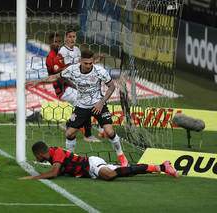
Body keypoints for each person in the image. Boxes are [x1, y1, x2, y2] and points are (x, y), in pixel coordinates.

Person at [27, 49, 128, 166]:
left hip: (98, 105)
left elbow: (111, 86)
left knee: (109, 132)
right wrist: (38, 81)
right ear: (80, 61)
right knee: (69, 133)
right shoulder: (72, 70)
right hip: (82, 106)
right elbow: (55, 76)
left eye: (91, 63)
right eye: (86, 63)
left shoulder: (100, 71)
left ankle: (122, 157)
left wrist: (101, 102)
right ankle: (69, 159)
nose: (89, 66)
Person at [20, 141, 178, 180]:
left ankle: (162, 167)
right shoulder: (52, 156)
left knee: (110, 175)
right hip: (90, 171)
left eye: (35, 155)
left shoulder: (57, 153)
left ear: (39, 154)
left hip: (91, 164)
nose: (36, 158)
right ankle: (161, 167)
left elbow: (54, 173)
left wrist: (34, 177)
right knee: (115, 172)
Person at [45, 32, 99, 143]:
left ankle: (68, 124)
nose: (57, 44)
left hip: (70, 86)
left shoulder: (60, 54)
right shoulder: (51, 57)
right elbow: (58, 75)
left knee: (84, 105)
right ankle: (87, 135)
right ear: (50, 43)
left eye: (59, 42)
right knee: (86, 104)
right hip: (63, 89)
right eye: (55, 42)